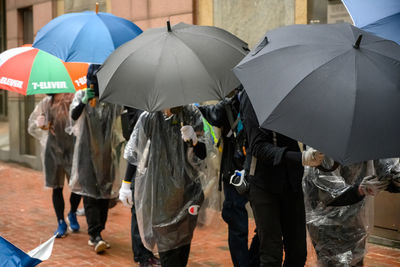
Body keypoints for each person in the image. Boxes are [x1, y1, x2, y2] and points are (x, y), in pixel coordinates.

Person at [239, 90, 324, 266]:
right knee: (271, 253)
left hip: (291, 181)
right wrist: (300, 157)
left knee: (298, 252)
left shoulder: (293, 92)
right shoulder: (252, 94)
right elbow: (258, 147)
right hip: (263, 182)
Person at [124, 105, 208, 267]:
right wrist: (126, 184)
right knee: (168, 250)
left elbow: (204, 155)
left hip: (188, 192)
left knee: (183, 245)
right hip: (159, 194)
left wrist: (195, 141)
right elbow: (134, 151)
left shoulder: (191, 115)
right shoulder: (149, 117)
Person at [198, 89, 260, 267]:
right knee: (258, 224)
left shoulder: (233, 101)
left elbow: (214, 115)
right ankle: (248, 263)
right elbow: (216, 115)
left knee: (242, 225)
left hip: (239, 170)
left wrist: (197, 107)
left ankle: (246, 264)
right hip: (244, 171)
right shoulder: (247, 99)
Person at [69, 64, 123, 253]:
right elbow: (73, 117)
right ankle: (94, 235)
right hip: (86, 154)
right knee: (90, 193)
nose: (94, 89)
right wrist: (83, 102)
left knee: (104, 195)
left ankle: (99, 231)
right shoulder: (81, 96)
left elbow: (121, 114)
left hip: (106, 154)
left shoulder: (111, 101)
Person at [28, 93, 81, 238]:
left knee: (77, 184)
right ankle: (60, 222)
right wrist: (42, 125)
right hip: (52, 149)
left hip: (72, 148)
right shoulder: (46, 103)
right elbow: (32, 125)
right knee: (56, 187)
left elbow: (80, 119)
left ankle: (72, 213)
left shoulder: (73, 100)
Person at [119, 106, 161, 267]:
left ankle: (148, 252)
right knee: (139, 214)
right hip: (142, 170)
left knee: (150, 214)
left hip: (156, 171)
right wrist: (126, 183)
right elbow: (134, 151)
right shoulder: (143, 114)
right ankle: (142, 256)